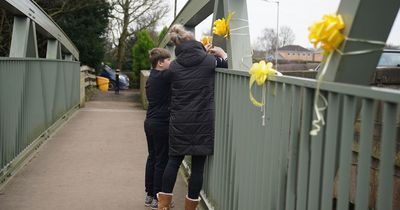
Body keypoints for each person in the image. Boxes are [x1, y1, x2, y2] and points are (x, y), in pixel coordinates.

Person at [157, 24, 228, 210]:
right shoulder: (209, 61)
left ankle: (163, 206)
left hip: (179, 122)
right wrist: (222, 53)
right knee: (197, 168)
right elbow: (224, 65)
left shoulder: (173, 66)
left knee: (173, 162)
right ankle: (190, 208)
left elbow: (165, 81)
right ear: (194, 41)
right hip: (202, 123)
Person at [144, 48, 172, 209]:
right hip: (161, 124)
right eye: (168, 60)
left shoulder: (153, 76)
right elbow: (182, 65)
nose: (171, 62)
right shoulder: (164, 76)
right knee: (162, 160)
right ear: (160, 63)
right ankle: (157, 197)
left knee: (152, 158)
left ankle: (149, 195)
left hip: (150, 122)